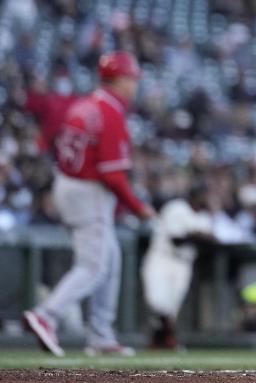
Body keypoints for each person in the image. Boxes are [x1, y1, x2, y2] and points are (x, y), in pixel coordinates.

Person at [22, 51, 156, 357]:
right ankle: (47, 314)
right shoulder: (109, 112)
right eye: (132, 79)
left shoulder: (84, 105)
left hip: (69, 183)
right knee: (93, 265)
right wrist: (137, 207)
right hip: (89, 191)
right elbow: (113, 177)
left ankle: (101, 336)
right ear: (120, 79)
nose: (135, 85)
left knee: (111, 259)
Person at [140, 184, 215, 349]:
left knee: (172, 306)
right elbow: (176, 239)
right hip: (162, 258)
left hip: (183, 263)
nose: (206, 199)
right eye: (203, 195)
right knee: (157, 300)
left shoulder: (204, 216)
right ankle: (165, 338)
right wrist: (197, 235)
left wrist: (197, 236)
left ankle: (161, 341)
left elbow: (211, 241)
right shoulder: (176, 208)